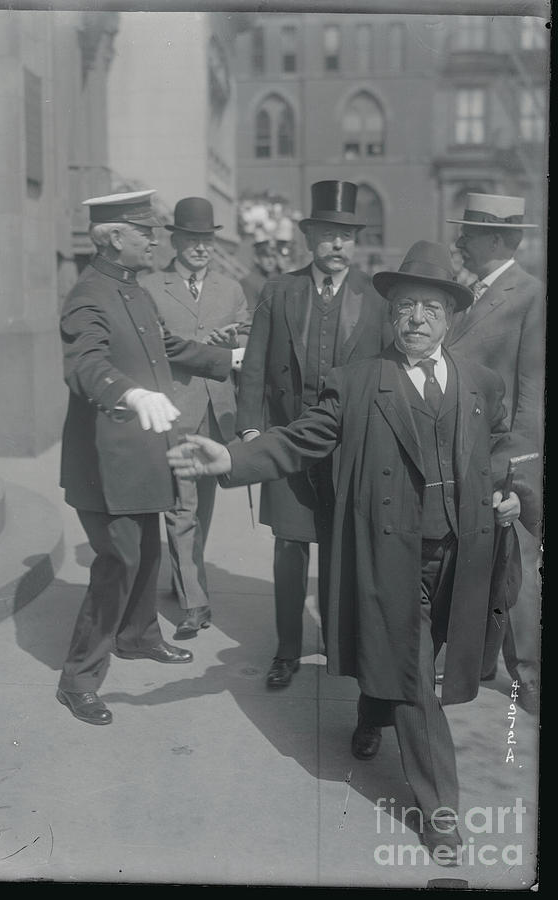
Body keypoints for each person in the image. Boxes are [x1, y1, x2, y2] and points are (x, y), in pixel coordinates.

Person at [167, 240, 533, 864]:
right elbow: (303, 438)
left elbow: (496, 447)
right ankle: (441, 809)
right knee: (417, 677)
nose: (416, 320)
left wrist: (506, 493)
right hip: (391, 556)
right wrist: (232, 458)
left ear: (451, 318)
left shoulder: (480, 383)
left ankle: (370, 713)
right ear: (392, 316)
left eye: (430, 309)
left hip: (462, 555)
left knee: (418, 655)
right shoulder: (357, 382)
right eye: (405, 308)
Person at [57, 190, 244, 725]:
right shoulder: (88, 295)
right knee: (119, 561)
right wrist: (130, 393)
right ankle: (79, 677)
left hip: (144, 452)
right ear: (116, 238)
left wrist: (230, 358)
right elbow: (84, 365)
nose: (157, 240)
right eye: (147, 233)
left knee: (147, 548)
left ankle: (137, 636)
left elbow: (170, 347)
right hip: (105, 460)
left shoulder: (134, 292)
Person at [235, 180, 391, 689]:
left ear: (356, 240)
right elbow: (255, 362)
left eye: (346, 235)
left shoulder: (375, 295)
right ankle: (286, 649)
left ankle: (338, 642)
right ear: (310, 237)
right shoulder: (280, 289)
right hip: (287, 438)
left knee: (341, 544)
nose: (337, 244)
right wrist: (252, 428)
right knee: (289, 544)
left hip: (349, 444)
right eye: (327, 234)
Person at [445, 192, 545, 714]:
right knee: (474, 560)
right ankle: (478, 661)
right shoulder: (468, 293)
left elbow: (532, 391)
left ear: (503, 240)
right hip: (459, 449)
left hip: (504, 454)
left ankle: (527, 677)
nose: (461, 237)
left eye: (472, 231)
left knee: (517, 567)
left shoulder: (530, 296)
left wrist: (521, 467)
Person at [141, 197, 251, 638]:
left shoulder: (231, 289)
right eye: (192, 239)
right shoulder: (152, 286)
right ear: (176, 240)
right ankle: (195, 603)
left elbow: (246, 337)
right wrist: (218, 351)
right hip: (177, 409)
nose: (201, 248)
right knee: (181, 508)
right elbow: (160, 345)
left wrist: (232, 337)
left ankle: (181, 578)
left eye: (207, 240)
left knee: (200, 509)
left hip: (219, 412)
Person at [240, 230, 279, 313]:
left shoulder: (278, 279)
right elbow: (250, 314)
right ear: (257, 259)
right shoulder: (248, 282)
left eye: (273, 257)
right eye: (266, 257)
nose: (271, 261)